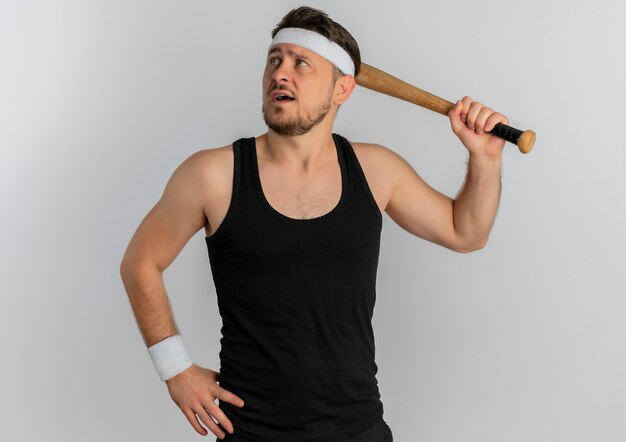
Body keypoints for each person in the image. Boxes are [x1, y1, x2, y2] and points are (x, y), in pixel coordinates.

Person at [120, 5, 509, 442]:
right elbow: (140, 262)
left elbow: (466, 232)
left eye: (300, 63)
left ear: (342, 88)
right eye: (274, 60)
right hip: (250, 429)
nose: (280, 74)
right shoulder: (213, 175)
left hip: (358, 429)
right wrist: (175, 371)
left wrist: (485, 159)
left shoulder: (377, 170)